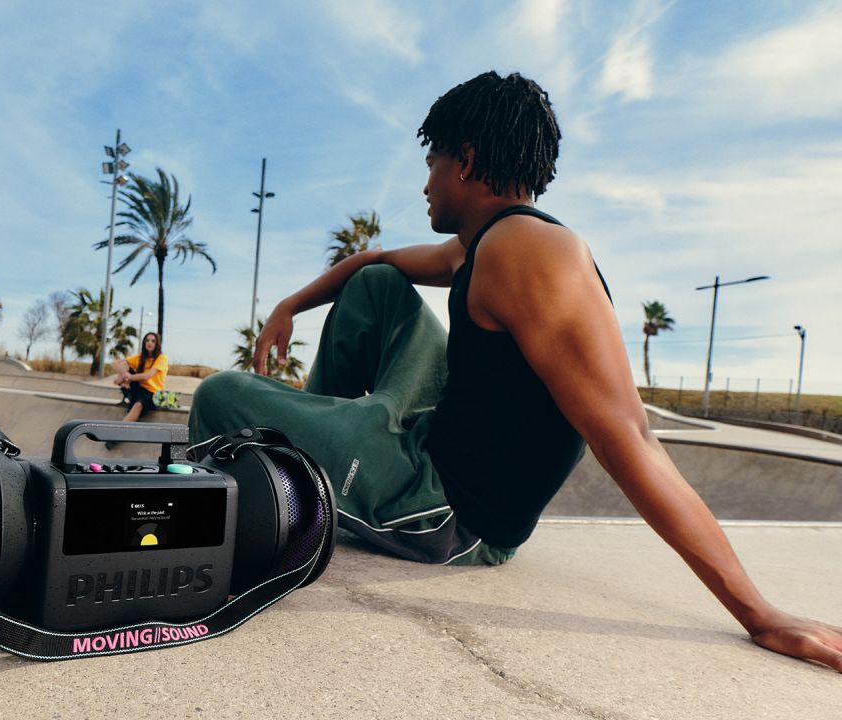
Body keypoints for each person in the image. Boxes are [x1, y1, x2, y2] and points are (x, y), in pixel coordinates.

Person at [189, 71, 842, 671]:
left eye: (432, 163)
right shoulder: (490, 243)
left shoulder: (527, 255)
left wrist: (758, 612)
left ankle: (310, 477)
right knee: (378, 287)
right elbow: (375, 261)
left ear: (466, 160)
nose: (425, 184)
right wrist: (290, 305)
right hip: (430, 441)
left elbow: (631, 436)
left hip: (449, 511)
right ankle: (308, 475)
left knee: (220, 396)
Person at [111, 332, 169, 424]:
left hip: (153, 393)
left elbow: (147, 376)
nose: (149, 343)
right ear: (144, 342)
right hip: (139, 388)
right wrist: (124, 374)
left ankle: (121, 427)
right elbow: (114, 363)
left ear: (157, 344)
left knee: (138, 404)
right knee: (125, 364)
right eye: (147, 340)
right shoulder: (141, 356)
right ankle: (126, 390)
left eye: (153, 341)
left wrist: (128, 378)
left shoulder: (162, 358)